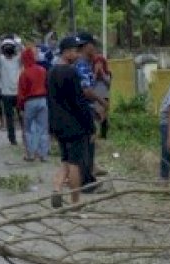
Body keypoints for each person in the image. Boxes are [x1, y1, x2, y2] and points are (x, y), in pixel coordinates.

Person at [48, 36, 95, 208]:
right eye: (75, 51)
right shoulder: (71, 72)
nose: (77, 54)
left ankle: (56, 189)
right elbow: (79, 102)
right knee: (75, 164)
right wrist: (90, 126)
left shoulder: (51, 72)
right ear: (66, 52)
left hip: (58, 126)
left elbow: (50, 101)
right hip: (74, 126)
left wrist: (51, 127)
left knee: (65, 161)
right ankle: (75, 202)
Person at [74, 33, 109, 191]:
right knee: (87, 146)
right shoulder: (81, 65)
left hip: (85, 109)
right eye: (92, 45)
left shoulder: (85, 64)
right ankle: (87, 183)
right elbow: (86, 90)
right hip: (84, 110)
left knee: (88, 145)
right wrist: (101, 102)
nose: (94, 48)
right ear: (86, 46)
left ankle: (87, 179)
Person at [17, 46, 49, 162]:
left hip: (30, 101)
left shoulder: (24, 74)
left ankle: (30, 154)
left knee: (29, 129)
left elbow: (21, 92)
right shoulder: (42, 70)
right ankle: (43, 155)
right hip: (43, 100)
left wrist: (20, 107)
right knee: (43, 128)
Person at [0, 37, 22, 145]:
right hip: (6, 94)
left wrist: (16, 40)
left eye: (10, 47)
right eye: (6, 47)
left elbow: (24, 51)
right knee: (10, 118)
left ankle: (25, 136)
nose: (9, 49)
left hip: (18, 93)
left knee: (21, 116)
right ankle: (12, 139)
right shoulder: (1, 60)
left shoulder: (17, 60)